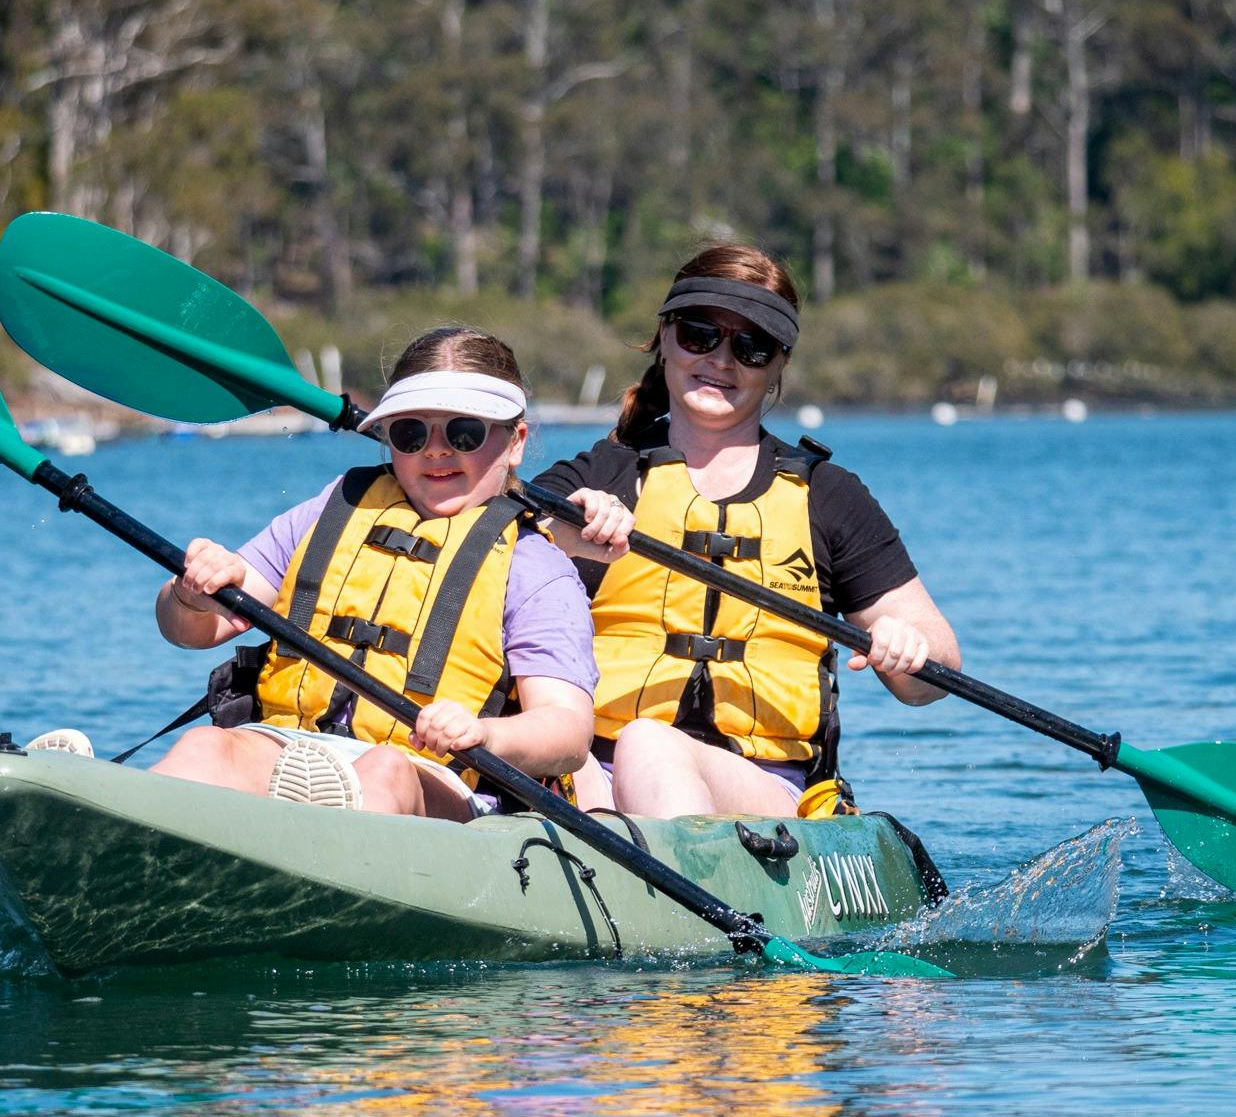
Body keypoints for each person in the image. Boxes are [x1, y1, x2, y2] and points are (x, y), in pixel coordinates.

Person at [534, 244, 959, 819]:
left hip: (760, 787)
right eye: (700, 334)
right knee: (565, 762)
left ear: (779, 364)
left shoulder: (828, 498)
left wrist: (911, 649)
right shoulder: (596, 477)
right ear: (665, 337)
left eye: (752, 347)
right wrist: (556, 533)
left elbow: (934, 678)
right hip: (592, 775)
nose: (721, 360)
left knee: (649, 743)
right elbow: (488, 549)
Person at [122, 327, 597, 822]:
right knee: (206, 747)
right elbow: (192, 631)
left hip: (435, 776)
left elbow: (567, 731)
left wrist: (485, 734)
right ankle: (114, 829)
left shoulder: (534, 568)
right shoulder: (335, 509)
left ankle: (323, 849)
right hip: (292, 744)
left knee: (384, 769)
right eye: (411, 433)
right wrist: (188, 596)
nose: (435, 450)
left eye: (465, 431)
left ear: (515, 441)